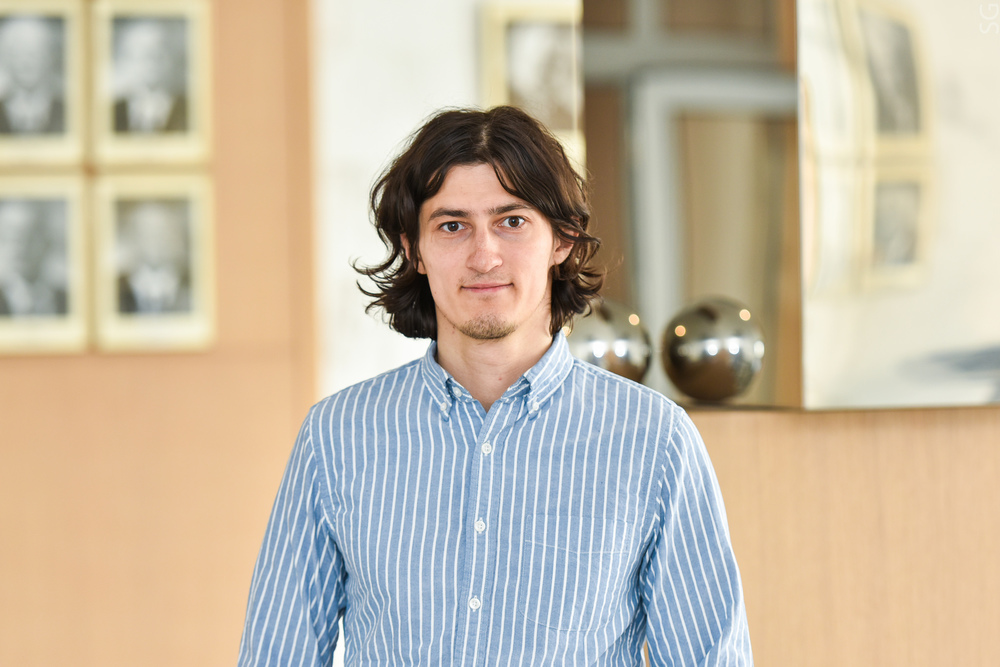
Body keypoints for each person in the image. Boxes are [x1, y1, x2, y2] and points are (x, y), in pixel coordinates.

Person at [238, 106, 752, 665]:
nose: (484, 256)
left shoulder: (655, 440)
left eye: (512, 221)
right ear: (414, 249)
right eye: (452, 226)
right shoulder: (338, 436)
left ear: (562, 239)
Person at [115, 200, 192, 315]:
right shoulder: (118, 292)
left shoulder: (187, 290)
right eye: (146, 234)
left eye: (161, 233)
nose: (154, 242)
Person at [112, 19, 188, 134]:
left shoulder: (189, 111)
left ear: (173, 57)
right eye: (141, 52)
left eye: (159, 51)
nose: (151, 59)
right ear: (128, 58)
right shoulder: (112, 113)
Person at [0, 199, 67, 316]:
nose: (20, 247)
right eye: (11, 237)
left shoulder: (68, 301)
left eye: (30, 236)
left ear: (47, 242)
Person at [0, 16, 65, 135]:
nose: (26, 63)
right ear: (7, 59)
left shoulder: (66, 112)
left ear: (49, 57)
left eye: (33, 54)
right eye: (18, 55)